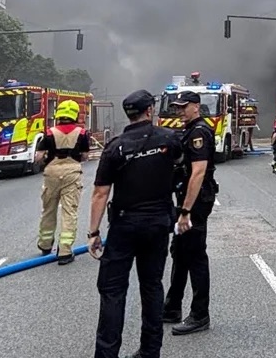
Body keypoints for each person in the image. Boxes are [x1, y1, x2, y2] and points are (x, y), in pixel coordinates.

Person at [89, 90, 182, 358]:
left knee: (112, 291)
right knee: (152, 286)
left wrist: (94, 232)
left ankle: (107, 354)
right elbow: (181, 164)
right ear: (150, 110)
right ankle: (151, 352)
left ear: (127, 114)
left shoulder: (115, 146)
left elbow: (100, 193)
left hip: (124, 225)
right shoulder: (168, 139)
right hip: (157, 226)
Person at [163, 90, 217, 335]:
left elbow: (198, 172)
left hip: (194, 202)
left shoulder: (199, 132)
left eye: (184, 106)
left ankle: (199, 315)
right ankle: (172, 307)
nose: (179, 111)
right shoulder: (189, 130)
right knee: (180, 252)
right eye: (177, 107)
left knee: (194, 255)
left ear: (196, 106)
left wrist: (185, 211)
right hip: (185, 199)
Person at [37, 99, 91, 263]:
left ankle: (45, 245)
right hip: (72, 172)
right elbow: (85, 156)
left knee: (48, 209)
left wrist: (46, 160)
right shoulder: (81, 133)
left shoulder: (49, 132)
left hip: (51, 172)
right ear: (74, 115)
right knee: (69, 211)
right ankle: (65, 251)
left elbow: (38, 156)